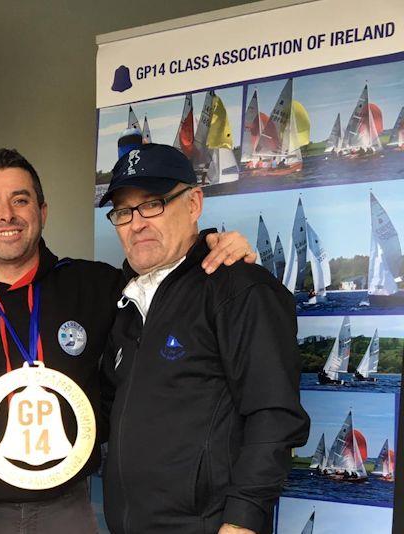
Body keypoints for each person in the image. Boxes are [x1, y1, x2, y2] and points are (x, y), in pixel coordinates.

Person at [0, 148, 256, 533]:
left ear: (42, 212)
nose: (7, 216)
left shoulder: (99, 286)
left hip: (68, 509)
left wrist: (215, 246)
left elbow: (169, 279)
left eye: (21, 200)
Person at [99, 144, 310, 534]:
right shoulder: (125, 303)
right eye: (124, 211)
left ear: (194, 203)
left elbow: (274, 415)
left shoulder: (238, 287)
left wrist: (242, 520)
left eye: (154, 203)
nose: (137, 222)